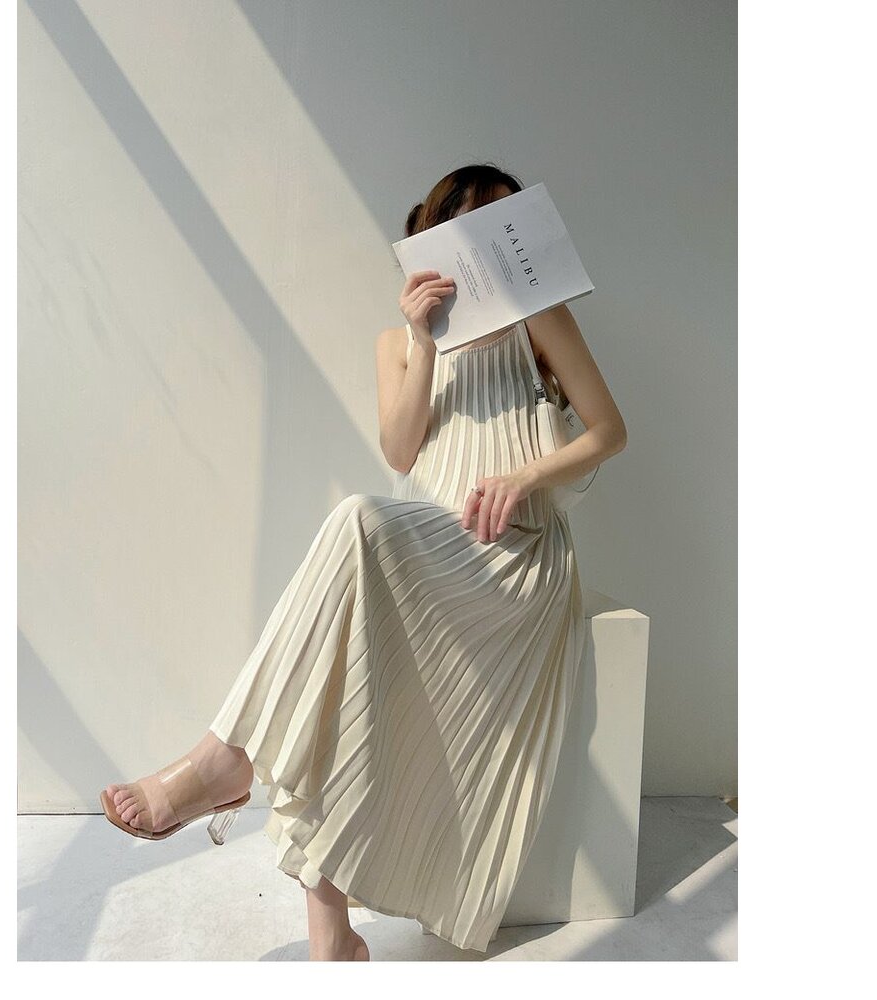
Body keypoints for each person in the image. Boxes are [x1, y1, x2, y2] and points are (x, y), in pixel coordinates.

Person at [99, 163, 628, 960]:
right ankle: (332, 940)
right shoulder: (398, 344)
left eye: (503, 224)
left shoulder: (538, 319)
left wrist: (525, 477)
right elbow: (401, 451)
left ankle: (224, 760)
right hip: (429, 544)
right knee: (338, 670)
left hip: (515, 559)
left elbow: (610, 431)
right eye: (468, 226)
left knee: (356, 519)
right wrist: (423, 342)